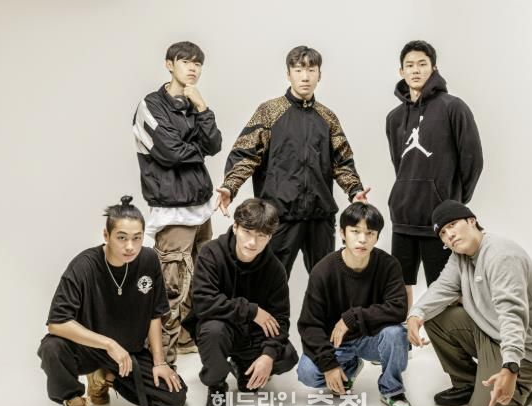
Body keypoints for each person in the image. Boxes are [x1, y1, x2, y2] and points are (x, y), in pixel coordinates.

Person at [37, 196, 186, 406]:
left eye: (137, 238)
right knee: (52, 347)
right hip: (89, 348)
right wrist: (108, 344)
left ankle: (105, 377)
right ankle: (76, 405)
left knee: (174, 398)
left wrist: (159, 361)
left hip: (128, 353)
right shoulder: (84, 266)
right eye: (122, 237)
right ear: (106, 235)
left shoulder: (148, 260)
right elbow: (57, 322)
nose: (130, 246)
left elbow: (154, 314)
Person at [216, 45, 370, 279]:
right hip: (278, 215)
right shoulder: (269, 111)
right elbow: (246, 154)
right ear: (288, 74)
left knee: (326, 281)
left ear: (320, 74)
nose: (305, 77)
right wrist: (230, 186)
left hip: (319, 216)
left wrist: (355, 191)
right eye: (298, 70)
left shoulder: (328, 117)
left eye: (311, 70)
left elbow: (342, 161)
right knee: (270, 281)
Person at [407, 199, 532, 406]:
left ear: (472, 221)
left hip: (524, 348)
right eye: (443, 233)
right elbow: (442, 288)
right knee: (433, 315)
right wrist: (415, 315)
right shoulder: (460, 256)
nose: (449, 235)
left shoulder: (501, 255)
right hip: (491, 332)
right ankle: (467, 384)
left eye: (452, 225)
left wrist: (511, 366)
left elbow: (512, 315)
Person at [133, 41, 222, 363]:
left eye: (198, 63)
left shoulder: (194, 104)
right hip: (172, 210)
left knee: (200, 280)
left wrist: (203, 108)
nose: (193, 68)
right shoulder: (150, 105)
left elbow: (214, 144)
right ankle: (161, 359)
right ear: (169, 64)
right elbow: (170, 152)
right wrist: (198, 149)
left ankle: (184, 340)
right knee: (172, 286)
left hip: (200, 208)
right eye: (186, 61)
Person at [386, 40, 483, 310]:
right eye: (409, 65)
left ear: (434, 68)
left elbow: (473, 161)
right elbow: (399, 164)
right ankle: (403, 333)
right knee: (400, 285)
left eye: (422, 64)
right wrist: (405, 191)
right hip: (403, 216)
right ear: (401, 71)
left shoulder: (453, 107)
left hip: (439, 219)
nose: (415, 70)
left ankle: (448, 336)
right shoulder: (394, 118)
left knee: (444, 287)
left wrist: (452, 203)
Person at [183, 198, 298, 406]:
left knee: (287, 356)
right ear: (235, 227)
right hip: (219, 329)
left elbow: (281, 319)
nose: (252, 242)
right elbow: (204, 302)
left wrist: (268, 355)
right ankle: (217, 384)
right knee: (213, 331)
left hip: (251, 335)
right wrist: (252, 311)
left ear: (270, 237)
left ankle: (243, 366)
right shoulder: (211, 253)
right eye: (247, 232)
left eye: (261, 236)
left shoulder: (275, 269)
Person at [297, 202, 412, 406]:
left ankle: (392, 390)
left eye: (370, 233)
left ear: (377, 237)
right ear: (342, 233)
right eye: (355, 231)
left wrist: (352, 318)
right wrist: (329, 365)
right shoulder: (323, 270)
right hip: (337, 342)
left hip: (372, 339)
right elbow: (309, 324)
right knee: (307, 373)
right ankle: (349, 366)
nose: (362, 239)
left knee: (397, 333)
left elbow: (398, 309)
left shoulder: (388, 265)